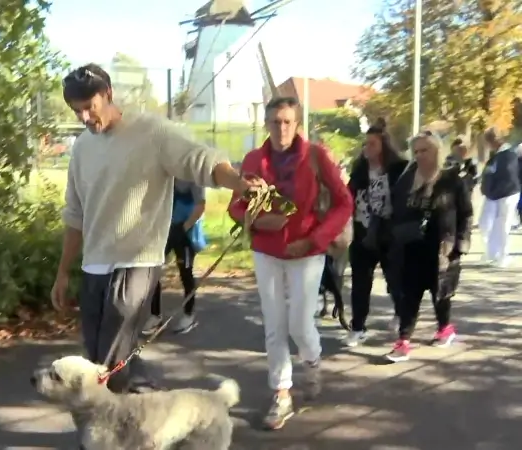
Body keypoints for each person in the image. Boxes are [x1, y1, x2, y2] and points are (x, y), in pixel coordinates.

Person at [50, 64, 263, 395]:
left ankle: (124, 435)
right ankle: (149, 413)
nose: (84, 118)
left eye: (88, 108)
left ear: (107, 95)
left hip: (136, 262)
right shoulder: (82, 149)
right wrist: (63, 272)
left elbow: (201, 160)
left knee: (111, 361)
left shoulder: (152, 132)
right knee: (95, 358)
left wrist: (237, 181)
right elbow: (75, 214)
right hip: (94, 264)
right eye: (76, 111)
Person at [228, 97, 352, 430]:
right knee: (274, 324)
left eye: (286, 121)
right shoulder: (255, 159)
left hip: (306, 251)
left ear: (297, 124)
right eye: (274, 122)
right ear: (266, 124)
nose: (280, 128)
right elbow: (236, 206)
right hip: (266, 251)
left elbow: (344, 202)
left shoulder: (316, 155)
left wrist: (316, 239)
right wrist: (254, 223)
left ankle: (312, 359)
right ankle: (281, 394)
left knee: (299, 323)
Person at [386, 132, 472, 362]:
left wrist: (461, 244)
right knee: (409, 296)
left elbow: (465, 213)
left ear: (437, 151)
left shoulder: (452, 179)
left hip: (443, 246)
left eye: (425, 150)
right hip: (411, 247)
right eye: (416, 151)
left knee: (441, 294)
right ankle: (403, 342)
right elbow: (395, 210)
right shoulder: (406, 179)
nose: (420, 155)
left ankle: (445, 327)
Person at [345, 122, 408, 347]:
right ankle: (358, 327)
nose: (367, 147)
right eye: (365, 143)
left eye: (372, 143)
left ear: (384, 146)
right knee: (360, 282)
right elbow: (347, 196)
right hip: (363, 233)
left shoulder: (399, 169)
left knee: (395, 281)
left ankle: (403, 316)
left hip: (389, 235)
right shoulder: (359, 170)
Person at [143, 179, 206, 335]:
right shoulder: (165, 172)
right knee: (153, 270)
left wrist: (183, 228)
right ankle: (155, 315)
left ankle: (189, 314)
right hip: (165, 230)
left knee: (185, 273)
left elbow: (200, 205)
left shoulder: (193, 176)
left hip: (186, 232)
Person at [478, 128, 520, 267]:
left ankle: (503, 255)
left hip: (508, 193)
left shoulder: (508, 155)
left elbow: (508, 176)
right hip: (499, 194)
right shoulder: (499, 155)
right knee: (492, 224)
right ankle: (493, 252)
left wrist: (493, 190)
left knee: (503, 225)